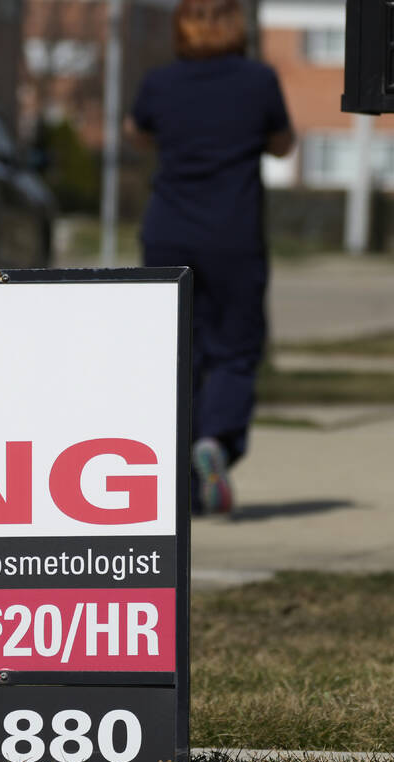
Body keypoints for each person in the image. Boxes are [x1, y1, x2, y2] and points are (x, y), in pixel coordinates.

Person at [126, 0, 294, 515]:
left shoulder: (160, 84)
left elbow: (138, 133)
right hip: (233, 235)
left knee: (177, 354)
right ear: (235, 27)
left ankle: (178, 480)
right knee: (235, 349)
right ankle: (215, 442)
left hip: (168, 234)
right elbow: (283, 144)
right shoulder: (258, 81)